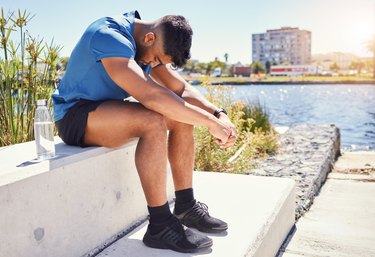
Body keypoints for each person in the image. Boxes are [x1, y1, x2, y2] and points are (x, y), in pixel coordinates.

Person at [52, 10, 237, 253]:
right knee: (153, 120)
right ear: (150, 38)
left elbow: (179, 89)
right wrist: (211, 125)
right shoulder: (108, 35)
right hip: (75, 115)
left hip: (107, 110)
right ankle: (160, 225)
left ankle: (185, 206)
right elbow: (150, 95)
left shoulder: (148, 46)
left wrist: (217, 114)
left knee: (180, 116)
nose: (156, 66)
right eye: (157, 60)